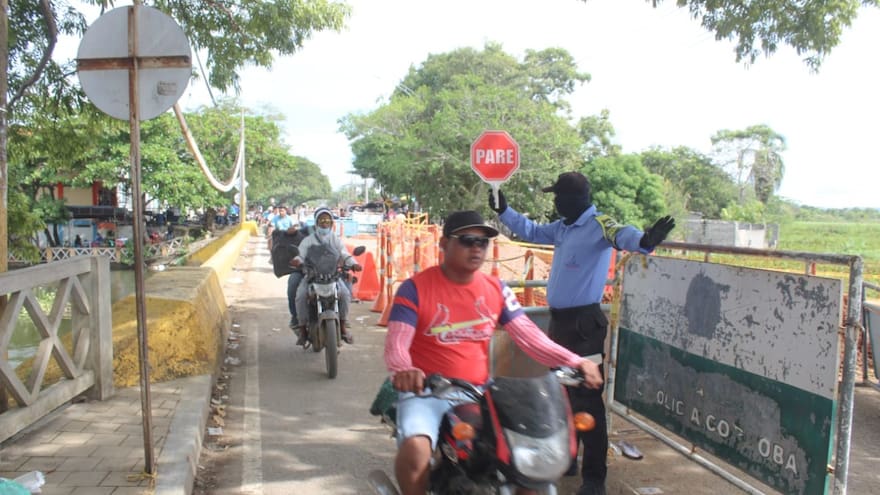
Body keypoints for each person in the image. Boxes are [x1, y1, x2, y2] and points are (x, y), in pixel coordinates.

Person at [384, 210, 604, 495]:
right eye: (467, 240)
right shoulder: (414, 289)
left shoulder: (496, 289)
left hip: (480, 392)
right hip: (427, 391)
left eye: (483, 242)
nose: (476, 248)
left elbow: (529, 336)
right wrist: (404, 369)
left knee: (523, 459)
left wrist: (575, 361)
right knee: (417, 448)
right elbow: (397, 343)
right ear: (444, 243)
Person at [488, 171, 675, 495]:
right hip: (560, 324)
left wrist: (645, 241)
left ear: (573, 199)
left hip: (584, 325)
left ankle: (594, 479)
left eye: (558, 197)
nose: (556, 202)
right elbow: (531, 230)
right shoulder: (562, 227)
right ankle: (568, 459)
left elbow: (624, 236)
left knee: (587, 397)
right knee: (559, 393)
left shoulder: (599, 225)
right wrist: (504, 210)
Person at [292, 207, 362, 345]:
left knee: (345, 295)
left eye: (327, 220)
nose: (324, 223)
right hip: (312, 276)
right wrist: (297, 261)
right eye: (321, 220)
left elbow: (344, 253)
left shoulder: (335, 239)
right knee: (300, 296)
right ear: (316, 222)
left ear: (331, 223)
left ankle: (343, 326)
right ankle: (302, 330)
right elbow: (301, 254)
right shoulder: (308, 240)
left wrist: (354, 264)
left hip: (332, 276)